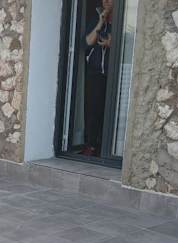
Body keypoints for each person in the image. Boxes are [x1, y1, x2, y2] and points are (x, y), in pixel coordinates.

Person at [82, 0, 113, 157]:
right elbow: (88, 42)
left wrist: (111, 44)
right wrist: (101, 22)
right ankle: (90, 146)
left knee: (108, 112)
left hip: (113, 74)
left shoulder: (121, 19)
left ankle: (104, 148)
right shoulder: (96, 17)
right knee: (92, 110)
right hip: (95, 72)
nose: (106, 1)